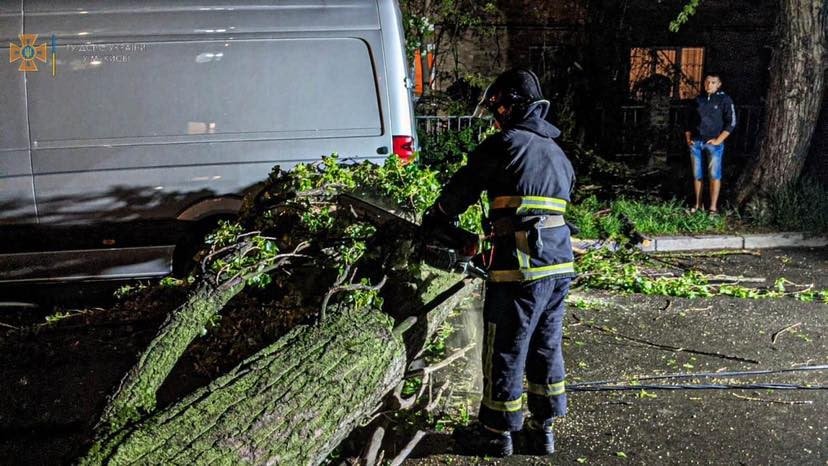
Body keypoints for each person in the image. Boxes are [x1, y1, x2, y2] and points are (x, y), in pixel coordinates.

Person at [422, 68, 576, 457]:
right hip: (559, 266)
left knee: (505, 347)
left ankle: (496, 431)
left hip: (521, 266)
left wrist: (441, 223)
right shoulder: (558, 153)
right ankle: (542, 431)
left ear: (511, 107)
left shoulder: (503, 144)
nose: (495, 116)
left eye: (498, 107)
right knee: (546, 344)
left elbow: (457, 195)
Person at [684, 73, 736, 213]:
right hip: (696, 142)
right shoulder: (698, 100)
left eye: (713, 82)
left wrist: (719, 140)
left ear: (719, 84)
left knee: (714, 175)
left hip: (714, 143)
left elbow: (731, 122)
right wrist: (688, 138)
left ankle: (713, 208)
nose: (709, 85)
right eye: (707, 82)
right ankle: (698, 205)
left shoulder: (724, 100)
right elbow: (688, 120)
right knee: (697, 174)